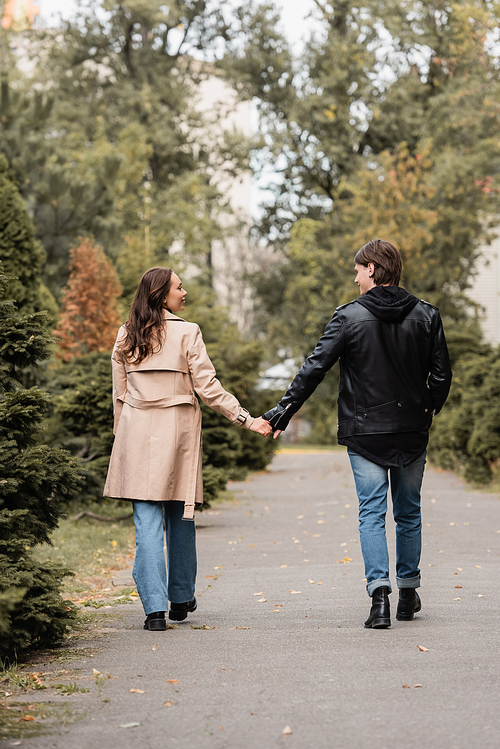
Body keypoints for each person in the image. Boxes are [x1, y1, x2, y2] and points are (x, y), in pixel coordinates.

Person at [263, 239, 452, 629]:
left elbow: (314, 368)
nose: (354, 277)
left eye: (357, 269)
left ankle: (379, 598)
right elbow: (442, 375)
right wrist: (427, 407)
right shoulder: (427, 315)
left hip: (364, 432)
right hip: (412, 431)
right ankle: (408, 592)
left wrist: (283, 412)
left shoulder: (348, 317)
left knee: (371, 513)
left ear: (372, 269)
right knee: (409, 512)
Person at [104, 267, 272, 631]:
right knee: (181, 515)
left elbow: (120, 396)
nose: (185, 292)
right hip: (177, 433)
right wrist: (246, 419)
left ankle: (154, 611)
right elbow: (209, 389)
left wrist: (122, 441)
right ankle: (179, 598)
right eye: (179, 287)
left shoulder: (125, 335)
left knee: (146, 522)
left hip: (135, 433)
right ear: (162, 295)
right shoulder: (187, 331)